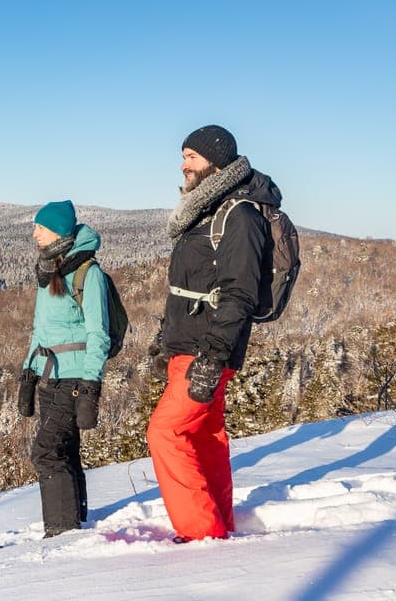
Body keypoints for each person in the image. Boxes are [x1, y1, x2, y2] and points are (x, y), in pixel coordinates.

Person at [146, 124, 278, 542]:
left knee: (165, 432)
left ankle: (201, 534)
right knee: (206, 437)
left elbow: (239, 292)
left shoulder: (237, 215)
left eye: (191, 157)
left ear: (215, 163)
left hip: (207, 348)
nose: (183, 165)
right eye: (183, 155)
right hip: (188, 345)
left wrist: (213, 355)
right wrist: (162, 340)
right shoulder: (206, 211)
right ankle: (219, 525)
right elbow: (189, 286)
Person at [20, 199, 111, 537]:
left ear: (57, 231)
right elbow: (41, 329)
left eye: (40, 228)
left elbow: (98, 333)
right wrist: (27, 375)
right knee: (65, 449)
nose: (34, 234)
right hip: (50, 375)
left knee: (46, 452)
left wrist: (90, 386)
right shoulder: (51, 270)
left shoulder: (88, 272)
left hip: (72, 376)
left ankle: (61, 531)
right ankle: (76, 521)